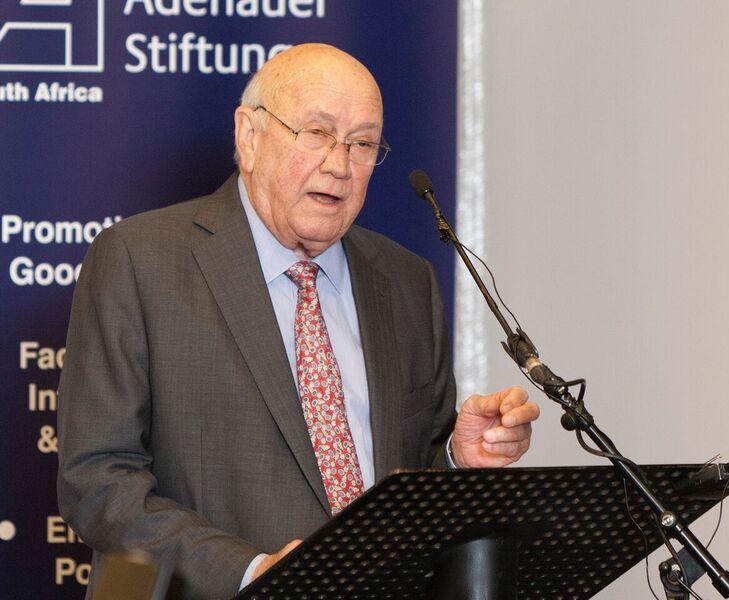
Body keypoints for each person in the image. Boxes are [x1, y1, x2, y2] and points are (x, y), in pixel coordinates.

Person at [57, 43, 539, 599]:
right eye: (316, 133)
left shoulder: (406, 282)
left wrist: (457, 458)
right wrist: (251, 572)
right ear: (249, 136)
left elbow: (410, 488)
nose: (339, 165)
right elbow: (97, 480)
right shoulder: (140, 261)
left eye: (362, 144)